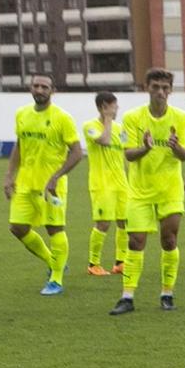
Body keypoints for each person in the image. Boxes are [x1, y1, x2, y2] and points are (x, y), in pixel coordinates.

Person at [114, 69, 185, 315]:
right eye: (155, 86)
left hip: (170, 190)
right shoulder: (131, 118)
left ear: (171, 90)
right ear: (146, 87)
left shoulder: (181, 119)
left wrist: (176, 146)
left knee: (169, 240)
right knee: (135, 242)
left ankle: (167, 293)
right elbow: (127, 154)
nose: (160, 92)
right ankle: (127, 296)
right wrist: (146, 149)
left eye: (165, 87)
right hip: (139, 191)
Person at [4, 73, 81, 295]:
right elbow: (19, 146)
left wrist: (57, 176)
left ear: (52, 91)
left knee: (54, 229)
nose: (39, 90)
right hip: (25, 182)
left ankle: (56, 279)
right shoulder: (22, 114)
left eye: (44, 86)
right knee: (17, 228)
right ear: (31, 88)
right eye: (36, 86)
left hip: (52, 185)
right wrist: (9, 175)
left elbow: (76, 152)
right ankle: (52, 261)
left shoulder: (62, 118)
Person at [81, 93, 131, 277]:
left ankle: (120, 262)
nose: (117, 109)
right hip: (102, 184)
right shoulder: (90, 127)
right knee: (103, 224)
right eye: (114, 106)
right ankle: (93, 264)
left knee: (124, 222)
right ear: (104, 106)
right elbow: (105, 140)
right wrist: (108, 118)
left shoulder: (121, 129)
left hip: (121, 183)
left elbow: (126, 153)